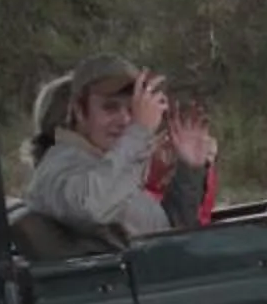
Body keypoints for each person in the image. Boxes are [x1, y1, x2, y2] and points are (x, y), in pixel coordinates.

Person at [20, 54, 218, 247]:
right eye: (110, 108)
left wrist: (189, 168)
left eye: (133, 109)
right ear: (80, 111)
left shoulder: (106, 166)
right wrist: (139, 133)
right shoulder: (60, 166)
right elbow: (92, 207)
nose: (124, 120)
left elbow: (166, 234)